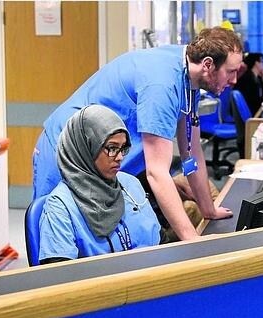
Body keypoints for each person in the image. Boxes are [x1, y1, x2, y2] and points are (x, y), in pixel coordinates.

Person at [33, 27, 239, 242]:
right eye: (231, 71)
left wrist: (209, 210)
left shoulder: (189, 77)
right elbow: (156, 172)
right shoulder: (162, 84)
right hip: (65, 150)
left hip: (103, 157)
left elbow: (192, 153)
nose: (234, 80)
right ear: (208, 64)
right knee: (57, 233)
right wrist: (191, 239)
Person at [38, 105, 161, 264]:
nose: (119, 157)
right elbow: (59, 279)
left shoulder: (130, 184)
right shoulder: (60, 206)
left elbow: (161, 243)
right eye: (111, 148)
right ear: (86, 147)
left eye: (123, 148)